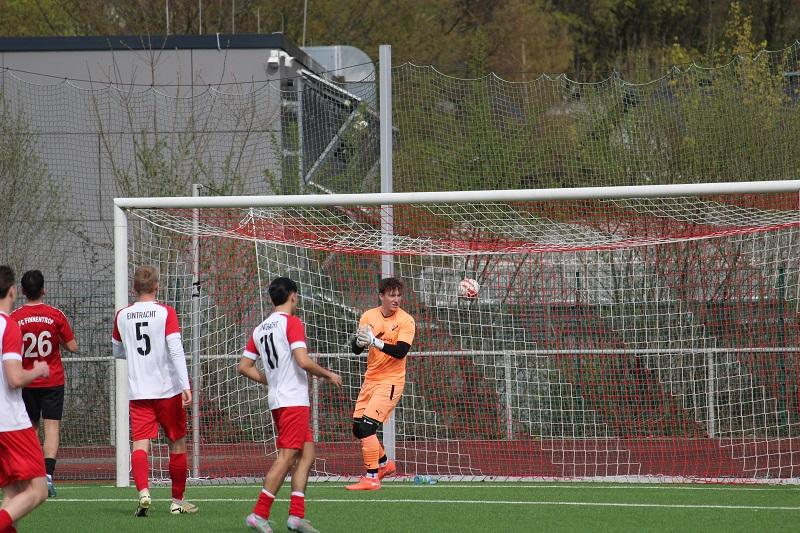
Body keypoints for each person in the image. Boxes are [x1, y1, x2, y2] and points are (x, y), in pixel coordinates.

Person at [239, 277, 342, 533]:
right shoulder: (292, 322)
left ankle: (296, 516)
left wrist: (270, 379)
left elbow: (244, 366)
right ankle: (258, 513)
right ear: (293, 296)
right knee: (286, 457)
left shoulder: (260, 329)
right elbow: (303, 361)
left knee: (307, 454)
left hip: (279, 399)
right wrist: (328, 374)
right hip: (293, 401)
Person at [111, 265, 196, 517]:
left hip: (139, 392)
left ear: (134, 288)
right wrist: (185, 384)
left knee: (140, 444)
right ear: (157, 286)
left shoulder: (122, 315)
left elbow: (117, 351)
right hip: (167, 390)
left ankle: (144, 492)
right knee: (177, 442)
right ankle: (177, 501)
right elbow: (176, 349)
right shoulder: (165, 312)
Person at [10, 270, 78, 498]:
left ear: (22, 291)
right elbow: (73, 346)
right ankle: (48, 476)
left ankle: (30, 476)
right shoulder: (55, 315)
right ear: (43, 290)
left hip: (26, 381)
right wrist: (57, 340)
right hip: (53, 380)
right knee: (52, 428)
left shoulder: (15, 318)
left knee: (30, 429)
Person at [346, 277, 415, 491]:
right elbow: (356, 349)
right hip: (371, 380)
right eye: (391, 295)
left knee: (368, 427)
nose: (396, 299)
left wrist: (375, 341)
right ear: (381, 296)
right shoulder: (369, 316)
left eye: (399, 295)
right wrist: (359, 342)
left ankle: (372, 478)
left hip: (391, 382)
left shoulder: (406, 320)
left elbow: (401, 351)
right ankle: (385, 464)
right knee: (358, 429)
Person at [0, 265, 50, 533]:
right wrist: (38, 370)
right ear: (12, 291)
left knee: (14, 493)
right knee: (38, 490)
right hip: (10, 422)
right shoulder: (8, 325)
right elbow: (14, 378)